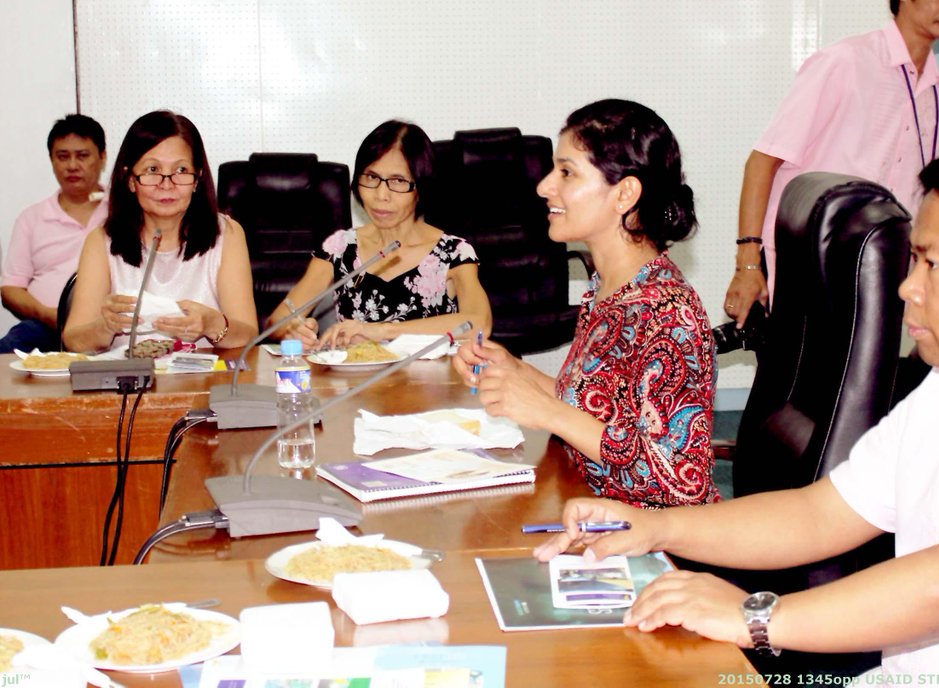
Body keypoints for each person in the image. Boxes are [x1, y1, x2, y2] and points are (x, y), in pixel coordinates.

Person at [533, 140, 939, 677]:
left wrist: (760, 618)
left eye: (932, 265)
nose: (908, 287)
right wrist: (656, 530)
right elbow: (821, 514)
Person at [453, 99, 719, 508]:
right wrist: (515, 371)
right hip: (586, 503)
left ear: (624, 194)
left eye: (566, 172)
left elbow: (681, 481)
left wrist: (546, 411)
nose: (544, 186)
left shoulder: (668, 313)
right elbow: (595, 408)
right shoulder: (609, 287)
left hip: (648, 543)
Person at [724, 0, 939, 325]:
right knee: (803, 389)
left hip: (881, 273)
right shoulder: (844, 63)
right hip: (808, 267)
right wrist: (748, 265)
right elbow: (762, 162)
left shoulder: (937, 93)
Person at [267, 120, 491, 349]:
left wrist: (383, 331)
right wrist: (292, 330)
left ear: (422, 187)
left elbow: (479, 323)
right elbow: (277, 320)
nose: (381, 195)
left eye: (398, 181)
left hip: (430, 381)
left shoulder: (453, 253)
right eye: (372, 178)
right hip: (356, 381)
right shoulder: (340, 249)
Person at [62, 110, 257, 353]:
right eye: (153, 170)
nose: (167, 184)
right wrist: (106, 327)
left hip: (206, 384)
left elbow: (249, 335)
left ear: (197, 179)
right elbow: (74, 339)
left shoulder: (227, 234)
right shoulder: (101, 240)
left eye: (181, 171)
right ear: (130, 179)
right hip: (128, 385)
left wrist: (212, 324)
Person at [0, 114, 109, 352]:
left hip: (110, 330)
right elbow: (11, 288)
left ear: (102, 158)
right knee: (11, 346)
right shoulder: (32, 218)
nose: (72, 165)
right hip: (45, 328)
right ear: (51, 160)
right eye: (62, 156)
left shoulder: (124, 212)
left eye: (82, 156)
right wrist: (47, 314)